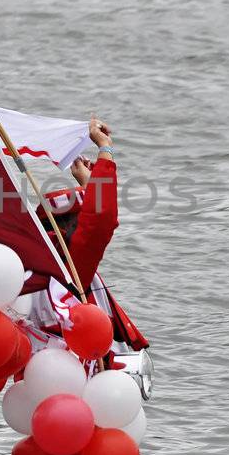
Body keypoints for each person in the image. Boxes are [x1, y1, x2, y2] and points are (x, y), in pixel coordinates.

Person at [34, 118, 149, 354]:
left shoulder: (34, 267)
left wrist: (89, 182)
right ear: (71, 227)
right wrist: (105, 149)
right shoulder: (70, 271)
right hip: (76, 377)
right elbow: (100, 219)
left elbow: (94, 218)